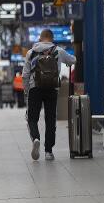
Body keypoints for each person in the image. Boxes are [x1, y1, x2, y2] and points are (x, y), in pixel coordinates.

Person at [22, 28, 76, 161]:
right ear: (52, 39)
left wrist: (26, 91)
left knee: (32, 118)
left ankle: (35, 138)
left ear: (40, 38)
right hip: (52, 88)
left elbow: (25, 75)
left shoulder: (31, 52)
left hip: (35, 88)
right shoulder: (58, 50)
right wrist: (70, 59)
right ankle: (48, 152)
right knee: (50, 120)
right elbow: (72, 60)